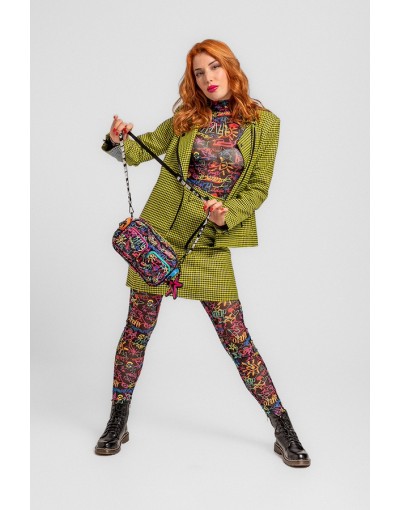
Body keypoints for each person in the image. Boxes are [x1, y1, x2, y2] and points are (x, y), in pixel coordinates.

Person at [95, 39, 310, 468]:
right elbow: (136, 152)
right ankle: (118, 419)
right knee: (137, 330)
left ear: (230, 68)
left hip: (208, 241)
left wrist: (228, 213)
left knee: (237, 340)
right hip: (159, 239)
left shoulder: (265, 124)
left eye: (214, 67)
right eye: (198, 72)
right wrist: (116, 138)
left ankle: (283, 428)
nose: (208, 78)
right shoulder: (185, 118)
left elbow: (258, 188)